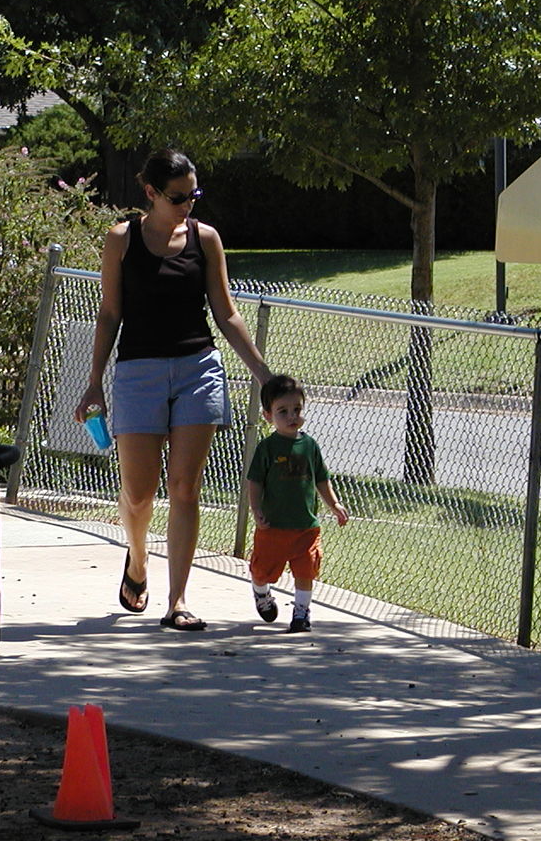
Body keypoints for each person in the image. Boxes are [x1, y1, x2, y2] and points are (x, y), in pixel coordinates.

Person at [74, 148, 272, 631]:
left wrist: (265, 377)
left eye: (193, 194)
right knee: (139, 494)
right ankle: (137, 560)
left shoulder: (205, 240)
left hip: (196, 369)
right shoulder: (121, 240)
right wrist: (94, 382)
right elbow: (109, 314)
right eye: (178, 197)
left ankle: (176, 601)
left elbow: (226, 314)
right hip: (138, 372)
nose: (188, 204)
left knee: (185, 488)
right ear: (151, 193)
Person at [245, 374, 348, 633]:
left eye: (297, 410)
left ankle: (301, 613)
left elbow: (321, 479)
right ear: (268, 415)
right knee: (262, 570)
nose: (292, 416)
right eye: (283, 411)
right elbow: (255, 482)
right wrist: (256, 509)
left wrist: (333, 504)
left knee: (306, 570)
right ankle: (261, 592)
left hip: (305, 526)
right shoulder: (267, 448)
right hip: (273, 527)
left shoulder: (310, 445)